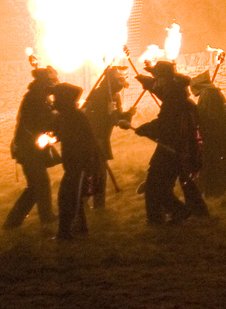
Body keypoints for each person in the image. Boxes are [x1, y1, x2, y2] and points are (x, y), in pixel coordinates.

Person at [133, 60, 208, 225]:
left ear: (163, 78)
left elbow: (165, 126)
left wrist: (143, 129)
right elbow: (156, 86)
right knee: (161, 186)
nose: (155, 80)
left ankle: (178, 212)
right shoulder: (176, 92)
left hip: (173, 150)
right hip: (178, 149)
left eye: (157, 76)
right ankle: (159, 219)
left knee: (154, 187)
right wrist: (145, 80)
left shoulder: (173, 99)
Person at [3, 66, 59, 229]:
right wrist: (57, 117)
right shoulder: (35, 99)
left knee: (38, 185)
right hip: (28, 149)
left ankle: (40, 217)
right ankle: (16, 221)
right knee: (38, 185)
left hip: (32, 149)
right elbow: (41, 122)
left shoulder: (39, 97)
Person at [81, 65, 135, 208]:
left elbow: (115, 118)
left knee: (99, 172)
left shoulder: (114, 96)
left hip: (103, 137)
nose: (121, 84)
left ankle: (98, 204)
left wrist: (128, 114)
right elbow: (98, 116)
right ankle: (84, 200)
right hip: (93, 137)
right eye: (118, 80)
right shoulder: (98, 94)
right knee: (92, 171)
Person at [52, 83, 100, 241]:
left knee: (66, 198)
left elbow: (85, 143)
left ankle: (64, 234)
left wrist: (86, 167)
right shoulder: (67, 116)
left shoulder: (75, 117)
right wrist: (52, 137)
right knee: (73, 198)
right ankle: (80, 230)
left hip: (80, 165)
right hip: (74, 165)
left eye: (57, 98)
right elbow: (61, 133)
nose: (54, 101)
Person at [189, 70, 226, 197]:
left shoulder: (209, 95)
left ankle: (215, 191)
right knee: (214, 162)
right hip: (215, 136)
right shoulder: (210, 93)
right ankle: (214, 190)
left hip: (215, 137)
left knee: (213, 163)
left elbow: (210, 117)